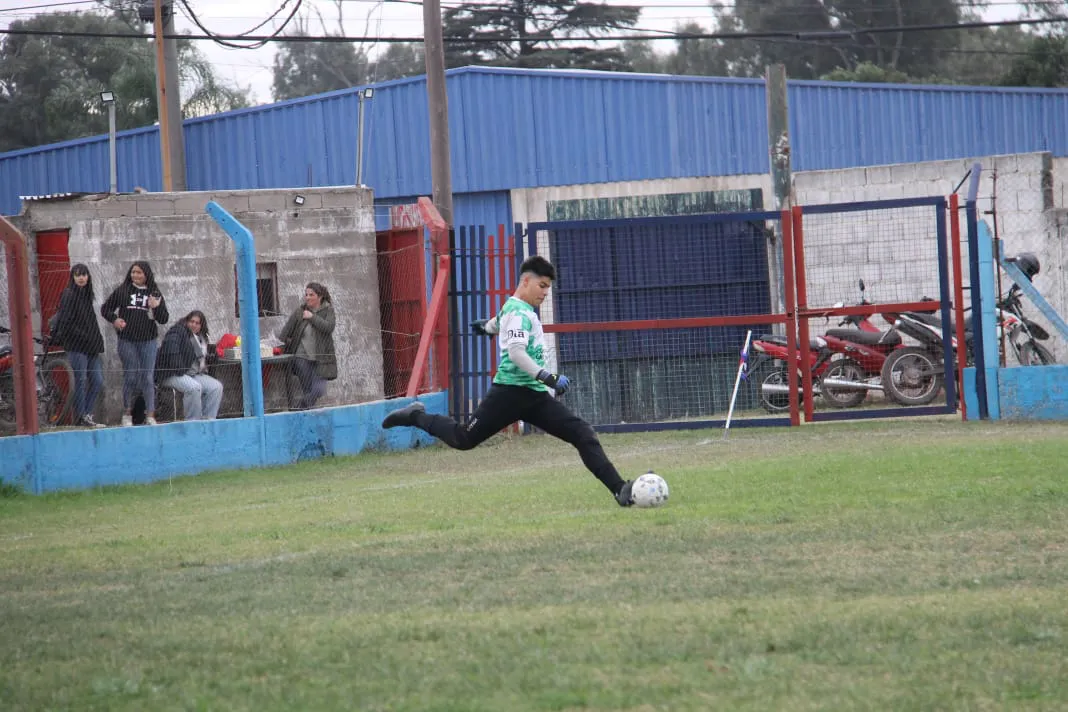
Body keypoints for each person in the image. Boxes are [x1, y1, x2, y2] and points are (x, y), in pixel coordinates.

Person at [381, 255, 638, 507]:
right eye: (542, 285)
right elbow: (516, 353)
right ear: (526, 281)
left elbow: (499, 321)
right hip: (509, 394)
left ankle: (619, 489)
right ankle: (415, 415)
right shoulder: (518, 313)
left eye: (548, 288)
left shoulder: (513, 309)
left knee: (581, 433)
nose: (545, 293)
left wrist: (487, 327)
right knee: (463, 439)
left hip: (534, 397)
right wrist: (549, 377)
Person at [100, 261, 169, 426]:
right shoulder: (123, 290)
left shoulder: (154, 292)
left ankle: (150, 415)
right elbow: (105, 309)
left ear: (146, 274)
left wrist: (156, 307)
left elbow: (163, 318)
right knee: (130, 376)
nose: (135, 275)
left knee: (147, 377)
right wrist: (115, 319)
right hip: (127, 340)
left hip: (148, 341)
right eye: (133, 272)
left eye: (139, 273)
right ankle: (127, 413)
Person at [53, 264, 106, 428]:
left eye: (84, 275)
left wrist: (96, 340)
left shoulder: (87, 295)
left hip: (90, 346)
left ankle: (87, 414)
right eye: (78, 275)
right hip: (76, 346)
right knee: (80, 381)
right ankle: (80, 417)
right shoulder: (68, 294)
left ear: (88, 277)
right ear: (73, 277)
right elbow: (66, 322)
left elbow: (91, 322)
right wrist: (85, 336)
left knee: (97, 381)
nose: (81, 278)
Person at [277, 282, 337, 410]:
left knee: (318, 390)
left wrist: (312, 317)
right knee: (307, 390)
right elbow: (285, 332)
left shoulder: (328, 310)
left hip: (320, 358)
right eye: (306, 295)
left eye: (311, 295)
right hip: (301, 357)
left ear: (320, 297)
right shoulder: (300, 311)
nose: (307, 297)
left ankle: (300, 407)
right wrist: (278, 346)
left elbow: (328, 327)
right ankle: (306, 414)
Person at [155, 310, 224, 421]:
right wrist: (180, 368)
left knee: (216, 387)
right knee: (194, 388)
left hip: (192, 374)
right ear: (187, 321)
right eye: (192, 321)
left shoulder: (201, 338)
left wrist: (212, 356)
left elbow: (204, 358)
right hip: (171, 373)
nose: (194, 325)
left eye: (197, 323)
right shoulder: (177, 331)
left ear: (201, 325)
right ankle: (193, 422)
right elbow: (170, 349)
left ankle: (208, 421)